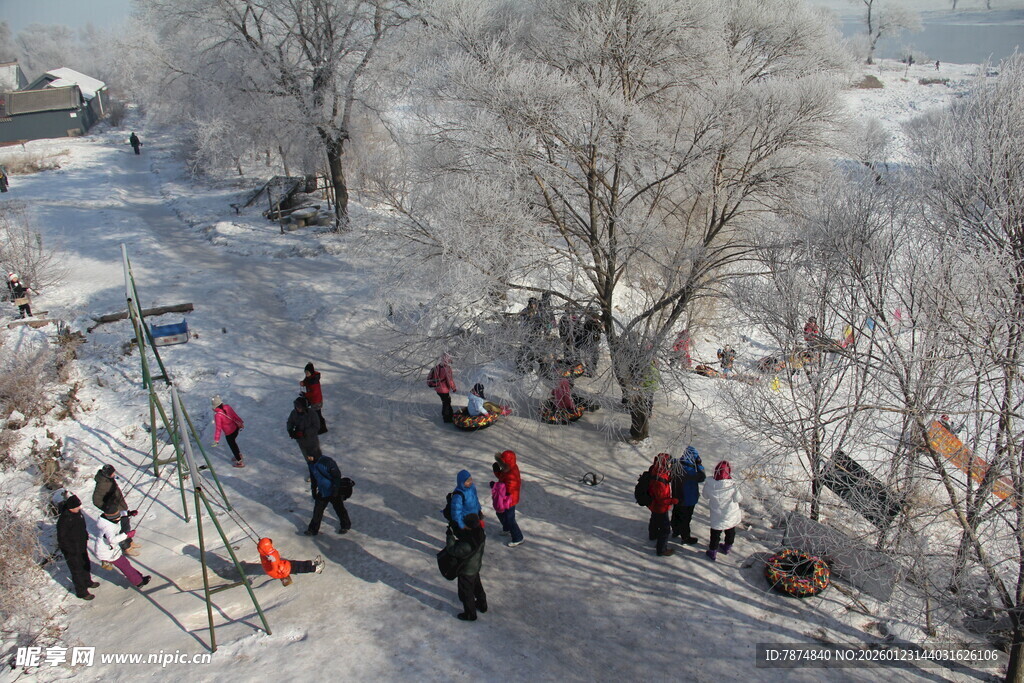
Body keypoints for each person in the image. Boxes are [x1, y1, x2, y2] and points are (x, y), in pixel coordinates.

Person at [92, 508, 151, 589]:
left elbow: (118, 514)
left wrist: (128, 513)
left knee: (125, 564)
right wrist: (126, 535)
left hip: (112, 550)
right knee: (125, 565)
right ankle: (138, 582)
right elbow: (112, 540)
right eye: (118, 517)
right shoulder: (108, 528)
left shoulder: (108, 519)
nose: (119, 517)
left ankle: (138, 577)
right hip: (108, 553)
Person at [57, 495, 99, 600]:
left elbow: (81, 526)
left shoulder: (78, 514)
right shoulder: (64, 519)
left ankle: (87, 581)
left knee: (85, 564)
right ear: (71, 507)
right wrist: (70, 550)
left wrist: (85, 536)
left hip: (81, 545)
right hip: (71, 551)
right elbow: (62, 539)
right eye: (77, 506)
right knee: (77, 571)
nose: (79, 508)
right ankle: (82, 592)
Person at [446, 513, 487, 621]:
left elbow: (453, 550)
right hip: (475, 566)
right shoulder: (479, 533)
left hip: (467, 570)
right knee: (477, 586)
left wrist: (450, 537)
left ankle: (470, 614)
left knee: (466, 592)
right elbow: (465, 535)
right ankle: (482, 604)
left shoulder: (466, 544)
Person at [91, 465, 138, 554]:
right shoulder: (102, 484)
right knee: (122, 528)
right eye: (112, 473)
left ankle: (129, 542)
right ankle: (126, 547)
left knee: (126, 525)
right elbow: (96, 500)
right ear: (107, 474)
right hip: (115, 510)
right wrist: (108, 508)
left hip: (120, 505)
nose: (114, 474)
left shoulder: (109, 480)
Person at [304, 451, 351, 536]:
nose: (308, 458)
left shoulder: (327, 462)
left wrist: (336, 490)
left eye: (309, 456)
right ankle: (313, 530)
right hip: (322, 491)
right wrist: (314, 490)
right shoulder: (311, 464)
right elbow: (313, 477)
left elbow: (337, 476)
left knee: (339, 509)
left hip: (332, 490)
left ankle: (345, 525)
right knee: (317, 511)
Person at [703, 461, 742, 561]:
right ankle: (727, 547)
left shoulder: (709, 484)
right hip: (730, 513)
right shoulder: (732, 485)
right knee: (730, 530)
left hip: (716, 513)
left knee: (715, 533)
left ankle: (712, 551)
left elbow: (705, 496)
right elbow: (738, 499)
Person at [671, 447, 705, 545]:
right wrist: (699, 464)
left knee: (676, 513)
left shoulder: (675, 464)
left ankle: (675, 531)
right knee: (685, 519)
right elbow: (702, 477)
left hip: (676, 496)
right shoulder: (691, 471)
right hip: (688, 499)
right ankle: (685, 537)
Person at [257, 538, 324, 586]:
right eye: (270, 544)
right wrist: (273, 561)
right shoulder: (269, 556)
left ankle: (312, 563)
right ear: (267, 546)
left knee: (298, 563)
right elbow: (273, 569)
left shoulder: (265, 552)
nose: (272, 544)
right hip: (283, 570)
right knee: (300, 568)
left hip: (284, 565)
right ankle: (316, 569)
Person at [647, 453, 677, 557]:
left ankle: (653, 535)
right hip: (660, 507)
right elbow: (662, 500)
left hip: (653, 505)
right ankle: (661, 549)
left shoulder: (656, 470)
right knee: (665, 529)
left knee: (654, 519)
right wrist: (673, 500)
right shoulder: (660, 480)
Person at [494, 450, 524, 546]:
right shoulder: (507, 469)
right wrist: (497, 471)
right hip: (504, 497)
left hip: (509, 499)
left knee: (510, 518)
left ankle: (518, 537)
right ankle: (506, 528)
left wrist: (501, 490)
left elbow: (511, 486)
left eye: (503, 464)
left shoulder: (512, 474)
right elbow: (502, 478)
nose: (502, 466)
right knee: (500, 513)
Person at [287, 396, 321, 477]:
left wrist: (305, 432)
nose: (297, 409)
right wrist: (291, 431)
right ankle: (313, 473)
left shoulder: (311, 413)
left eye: (299, 407)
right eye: (296, 407)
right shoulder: (294, 413)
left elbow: (316, 427)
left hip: (312, 441)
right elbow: (289, 422)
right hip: (301, 442)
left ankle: (320, 472)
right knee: (308, 458)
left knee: (316, 457)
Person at [212, 396, 246, 467]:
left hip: (229, 433)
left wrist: (216, 440)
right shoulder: (227, 407)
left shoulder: (218, 415)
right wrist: (241, 422)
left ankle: (239, 461)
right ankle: (239, 454)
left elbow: (218, 428)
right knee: (234, 443)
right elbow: (234, 415)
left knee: (232, 446)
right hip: (235, 428)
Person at [427, 353, 457, 424]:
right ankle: (447, 418)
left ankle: (449, 414)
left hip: (438, 388)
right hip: (444, 389)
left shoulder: (437, 367)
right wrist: (454, 388)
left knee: (446, 401)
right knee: (446, 402)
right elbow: (450, 380)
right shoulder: (447, 368)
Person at [300, 362, 327, 434]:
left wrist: (305, 394)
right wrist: (303, 383)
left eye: (307, 372)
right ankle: (319, 426)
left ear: (311, 372)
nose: (306, 374)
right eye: (305, 372)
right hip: (313, 400)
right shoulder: (310, 377)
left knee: (317, 414)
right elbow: (307, 381)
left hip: (316, 401)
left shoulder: (314, 381)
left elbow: (313, 393)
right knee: (316, 414)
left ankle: (322, 428)